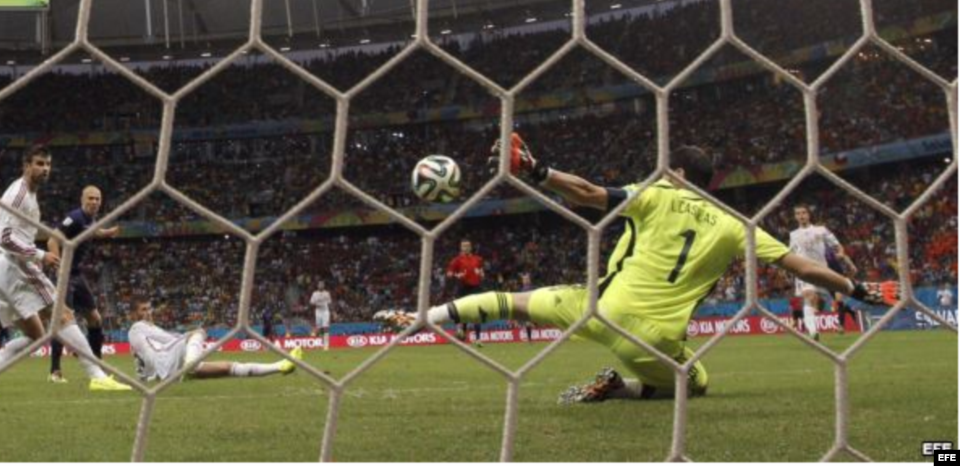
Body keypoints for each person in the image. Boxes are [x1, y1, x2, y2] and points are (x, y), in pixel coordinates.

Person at [376, 136, 898, 403]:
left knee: (512, 302)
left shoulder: (657, 192)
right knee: (695, 383)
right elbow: (802, 265)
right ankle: (621, 386)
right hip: (651, 338)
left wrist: (536, 170)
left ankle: (424, 318)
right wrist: (857, 288)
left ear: (678, 172)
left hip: (597, 309)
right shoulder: (737, 225)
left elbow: (587, 193)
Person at [0, 145, 131, 395]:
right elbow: (6, 239)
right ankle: (97, 376)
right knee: (64, 315)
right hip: (13, 266)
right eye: (39, 163)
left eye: (48, 164)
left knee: (36, 335)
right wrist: (41, 255)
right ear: (26, 166)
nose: (45, 169)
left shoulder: (27, 194)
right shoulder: (20, 194)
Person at [47, 185, 120, 384]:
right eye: (90, 198)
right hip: (66, 275)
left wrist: (107, 233)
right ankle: (55, 371)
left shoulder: (90, 219)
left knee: (95, 319)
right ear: (82, 199)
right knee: (62, 321)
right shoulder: (75, 217)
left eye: (97, 198)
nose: (94, 202)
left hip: (77, 275)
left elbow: (93, 231)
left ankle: (97, 365)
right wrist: (59, 268)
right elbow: (52, 240)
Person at [128, 298, 302, 381]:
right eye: (143, 309)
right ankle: (191, 365)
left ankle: (280, 366)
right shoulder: (137, 327)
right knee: (198, 332)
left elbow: (165, 343)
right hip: (164, 367)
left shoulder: (149, 330)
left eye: (149, 309)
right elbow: (166, 343)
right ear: (133, 314)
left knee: (228, 367)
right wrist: (189, 336)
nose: (148, 312)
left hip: (167, 370)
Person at [789, 205, 858, 340]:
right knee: (809, 296)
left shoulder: (821, 230)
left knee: (819, 305)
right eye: (798, 213)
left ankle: (801, 319)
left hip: (821, 270)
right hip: (803, 269)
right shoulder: (793, 234)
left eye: (804, 213)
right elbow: (791, 253)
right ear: (795, 217)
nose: (801, 216)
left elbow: (837, 245)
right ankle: (813, 332)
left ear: (809, 215)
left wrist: (841, 253)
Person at [446, 240, 486, 347]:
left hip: (475, 288)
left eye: (468, 246)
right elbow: (449, 273)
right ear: (461, 248)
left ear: (471, 247)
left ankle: (478, 339)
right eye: (464, 246)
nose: (466, 248)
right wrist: (457, 275)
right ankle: (462, 336)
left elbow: (482, 273)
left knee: (477, 313)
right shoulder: (456, 260)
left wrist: (480, 273)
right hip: (462, 287)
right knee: (462, 312)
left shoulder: (478, 259)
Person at [309, 281, 332, 351]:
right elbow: (311, 303)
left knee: (326, 327)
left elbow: (329, 302)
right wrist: (316, 304)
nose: (321, 286)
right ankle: (322, 343)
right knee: (320, 329)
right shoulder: (314, 293)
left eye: (322, 285)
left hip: (325, 311)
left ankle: (326, 346)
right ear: (317, 286)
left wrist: (329, 308)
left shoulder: (327, 293)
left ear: (324, 286)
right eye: (319, 285)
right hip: (318, 312)